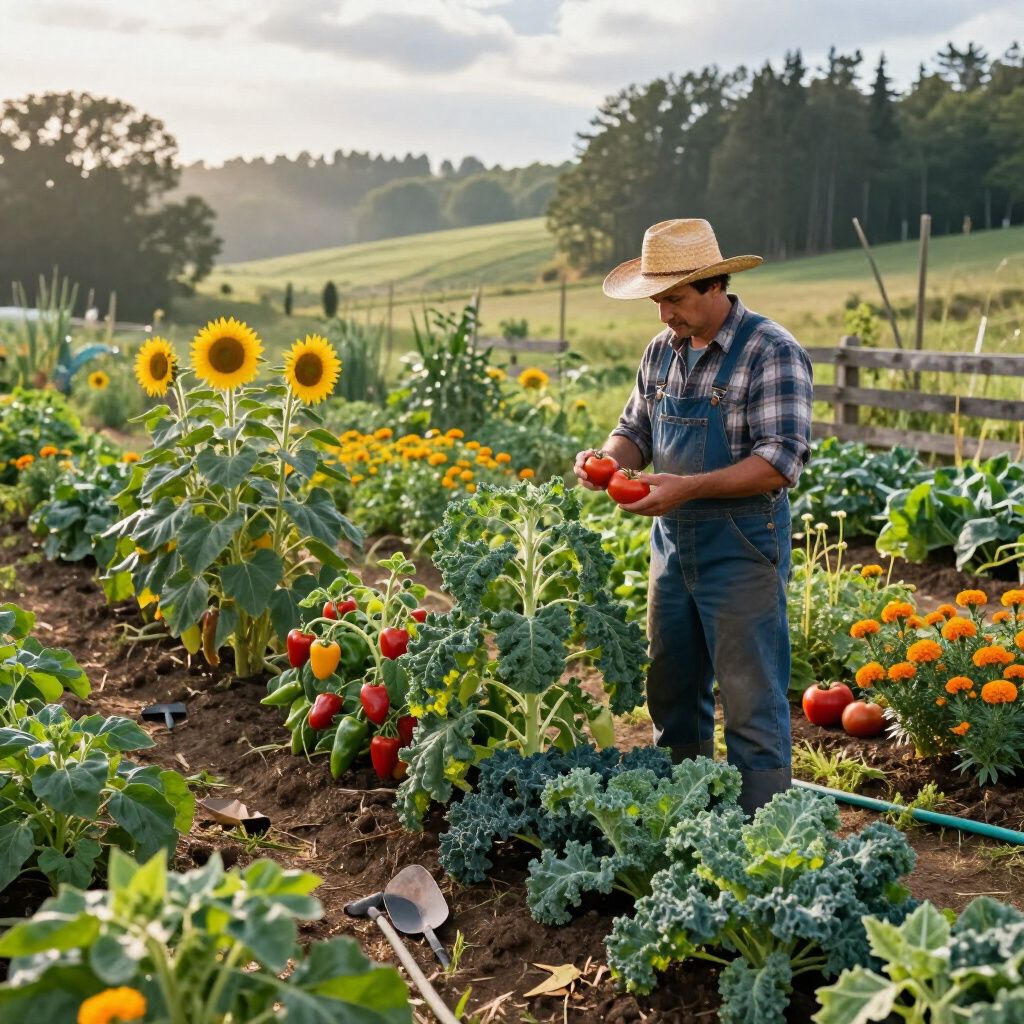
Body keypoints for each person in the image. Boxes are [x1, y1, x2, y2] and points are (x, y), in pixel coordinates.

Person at [574, 218, 813, 817]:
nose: (663, 316)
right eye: (658, 300)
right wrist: (607, 460)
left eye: (674, 299)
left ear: (713, 285)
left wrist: (688, 488)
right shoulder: (662, 351)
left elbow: (780, 462)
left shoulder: (770, 350)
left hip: (742, 544)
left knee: (750, 694)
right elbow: (634, 431)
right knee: (672, 688)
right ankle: (684, 818)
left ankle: (764, 835)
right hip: (672, 544)